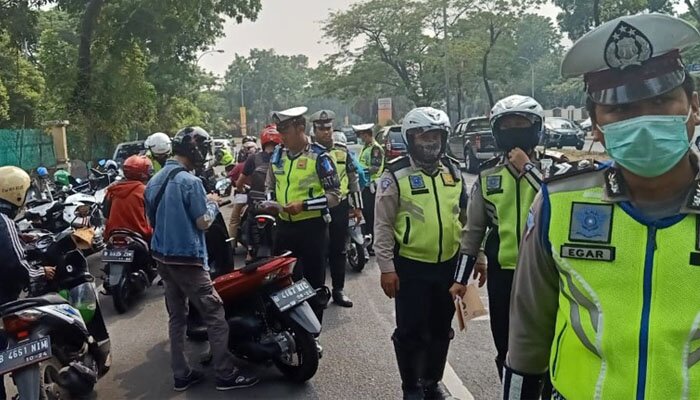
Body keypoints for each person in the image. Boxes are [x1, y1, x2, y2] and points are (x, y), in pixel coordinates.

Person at [503, 14, 700, 399]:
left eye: (660, 100)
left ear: (693, 106)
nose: (644, 121)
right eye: (621, 111)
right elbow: (528, 332)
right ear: (596, 125)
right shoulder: (558, 204)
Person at [455, 94, 571, 384]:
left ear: (536, 127)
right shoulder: (487, 175)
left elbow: (555, 202)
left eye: (521, 124)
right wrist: (460, 278)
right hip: (504, 275)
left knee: (552, 343)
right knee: (506, 346)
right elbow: (473, 231)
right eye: (507, 125)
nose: (514, 131)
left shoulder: (556, 171)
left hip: (549, 275)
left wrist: (527, 168)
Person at [145, 126, 258, 392]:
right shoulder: (190, 182)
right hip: (187, 260)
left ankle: (181, 373)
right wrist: (212, 203)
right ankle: (225, 373)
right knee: (215, 313)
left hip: (162, 258)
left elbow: (151, 220)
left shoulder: (154, 181)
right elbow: (204, 223)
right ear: (196, 150)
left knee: (177, 317)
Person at [374, 107, 467, 399]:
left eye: (436, 135)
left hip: (447, 266)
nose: (430, 142)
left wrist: (478, 257)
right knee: (411, 331)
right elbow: (383, 225)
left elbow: (466, 219)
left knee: (441, 329)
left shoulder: (453, 170)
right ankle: (411, 385)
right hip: (411, 267)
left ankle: (432, 381)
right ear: (411, 138)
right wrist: (387, 268)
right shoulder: (395, 174)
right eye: (424, 136)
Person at [265, 106, 342, 347]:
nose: (281, 137)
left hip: (312, 229)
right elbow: (271, 183)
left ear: (300, 128)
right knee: (282, 283)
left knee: (313, 283)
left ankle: (312, 335)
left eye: (285, 131)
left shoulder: (320, 157)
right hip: (284, 228)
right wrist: (269, 201)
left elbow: (335, 195)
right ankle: (288, 331)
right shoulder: (278, 155)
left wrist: (305, 205)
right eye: (279, 131)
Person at [0, 166, 55, 400]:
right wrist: (40, 272)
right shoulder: (4, 221)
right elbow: (16, 266)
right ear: (17, 194)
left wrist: (21, 239)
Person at [310, 110, 363, 308]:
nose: (326, 132)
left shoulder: (342, 150)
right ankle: (319, 291)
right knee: (319, 250)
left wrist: (357, 207)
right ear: (314, 131)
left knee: (339, 249)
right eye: (321, 129)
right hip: (317, 207)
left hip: (339, 206)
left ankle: (338, 290)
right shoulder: (311, 152)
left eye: (328, 128)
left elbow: (353, 178)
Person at [236, 124, 282, 261]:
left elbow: (239, 182)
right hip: (276, 204)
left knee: (249, 219)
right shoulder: (283, 159)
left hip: (257, 204)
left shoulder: (253, 159)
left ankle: (250, 251)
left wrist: (240, 189)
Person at [103, 155, 154, 241]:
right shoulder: (146, 191)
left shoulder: (113, 190)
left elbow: (105, 214)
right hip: (141, 236)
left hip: (113, 236)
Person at [356, 123, 384, 255]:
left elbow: (375, 168)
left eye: (362, 136)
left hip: (372, 186)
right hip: (364, 185)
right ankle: (366, 241)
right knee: (365, 215)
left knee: (371, 216)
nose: (361, 138)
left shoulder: (375, 149)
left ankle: (372, 245)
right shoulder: (365, 147)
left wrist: (360, 170)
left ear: (367, 135)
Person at [227, 140, 259, 239]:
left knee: (234, 220)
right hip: (261, 195)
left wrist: (241, 189)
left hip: (243, 195)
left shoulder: (240, 166)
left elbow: (233, 179)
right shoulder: (265, 162)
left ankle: (231, 246)